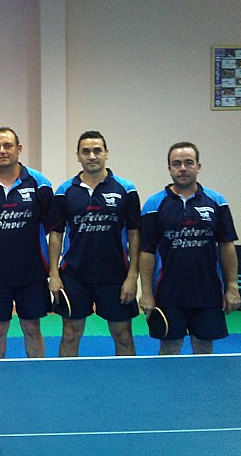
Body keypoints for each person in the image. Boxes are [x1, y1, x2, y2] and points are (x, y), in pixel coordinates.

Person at [139, 142, 240, 354]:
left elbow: (226, 245)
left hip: (208, 292)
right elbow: (147, 252)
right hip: (168, 293)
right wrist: (146, 292)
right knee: (169, 348)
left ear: (198, 166)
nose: (182, 168)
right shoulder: (153, 205)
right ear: (169, 169)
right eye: (176, 164)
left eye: (188, 163)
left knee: (204, 349)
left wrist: (232, 286)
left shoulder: (217, 202)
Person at [48, 131, 141, 357]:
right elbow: (56, 235)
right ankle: (67, 378)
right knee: (70, 334)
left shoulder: (126, 190)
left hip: (115, 275)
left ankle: (127, 378)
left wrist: (132, 276)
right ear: (78, 156)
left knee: (123, 335)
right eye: (86, 151)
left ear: (106, 153)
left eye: (97, 150)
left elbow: (134, 234)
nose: (92, 156)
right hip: (74, 274)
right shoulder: (64, 191)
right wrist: (54, 275)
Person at [0, 127, 53, 358]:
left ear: (19, 149)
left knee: (32, 327)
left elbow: (50, 222)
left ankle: (37, 371)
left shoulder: (40, 183)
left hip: (32, 271)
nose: (2, 151)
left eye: (8, 146)